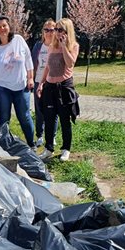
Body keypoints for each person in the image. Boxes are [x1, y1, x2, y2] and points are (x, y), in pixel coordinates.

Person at [0, 15, 35, 148]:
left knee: (24, 117)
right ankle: (3, 145)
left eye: (4, 25)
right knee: (3, 118)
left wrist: (30, 78)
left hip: (21, 86)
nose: (2, 29)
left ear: (9, 27)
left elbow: (28, 59)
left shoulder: (18, 40)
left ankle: (31, 144)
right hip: (2, 88)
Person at [37, 18, 80, 162]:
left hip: (64, 87)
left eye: (60, 30)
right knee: (49, 119)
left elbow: (70, 63)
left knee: (64, 120)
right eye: (56, 29)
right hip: (50, 87)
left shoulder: (73, 46)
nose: (56, 32)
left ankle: (66, 149)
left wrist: (63, 47)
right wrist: (41, 83)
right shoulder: (51, 46)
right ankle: (49, 148)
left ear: (68, 32)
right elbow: (47, 67)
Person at [31, 19, 58, 147]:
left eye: (51, 30)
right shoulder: (38, 46)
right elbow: (31, 63)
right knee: (39, 110)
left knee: (53, 111)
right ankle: (40, 135)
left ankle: (52, 136)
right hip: (38, 81)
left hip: (52, 82)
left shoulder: (58, 46)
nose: (48, 32)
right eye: (46, 30)